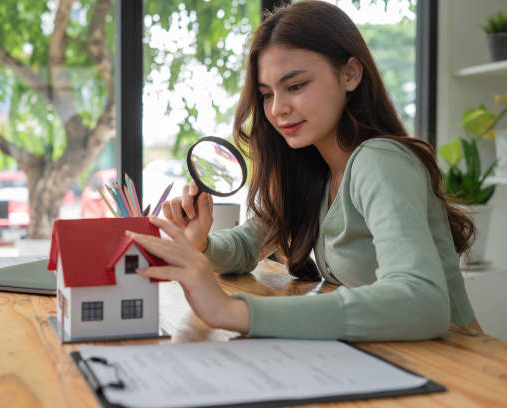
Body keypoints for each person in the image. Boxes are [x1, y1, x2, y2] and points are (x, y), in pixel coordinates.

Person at [126, 0, 482, 341]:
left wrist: (235, 312)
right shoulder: (316, 172)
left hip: (455, 366)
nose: (278, 108)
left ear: (351, 74)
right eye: (266, 94)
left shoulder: (379, 161)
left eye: (296, 86)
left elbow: (421, 301)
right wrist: (201, 243)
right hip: (388, 357)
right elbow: (248, 244)